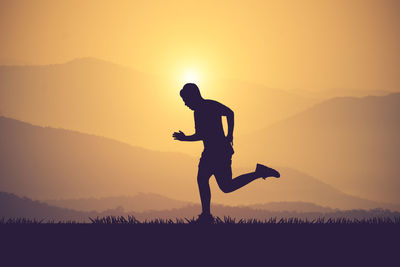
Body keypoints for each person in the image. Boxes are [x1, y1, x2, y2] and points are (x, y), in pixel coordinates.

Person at [173, 83, 280, 223]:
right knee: (217, 183)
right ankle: (206, 215)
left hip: (217, 152)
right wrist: (229, 135)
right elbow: (229, 113)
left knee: (214, 182)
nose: (186, 104)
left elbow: (202, 134)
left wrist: (185, 138)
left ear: (193, 96)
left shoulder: (202, 110)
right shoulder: (208, 106)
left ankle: (207, 215)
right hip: (215, 151)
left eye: (186, 100)